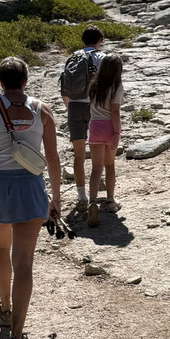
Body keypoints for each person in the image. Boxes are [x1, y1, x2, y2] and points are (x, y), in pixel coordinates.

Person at [0, 56, 61, 339]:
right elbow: (53, 157)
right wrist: (56, 197)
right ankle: (17, 336)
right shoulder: (42, 110)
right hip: (30, 188)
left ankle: (5, 309)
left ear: (0, 81)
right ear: (25, 80)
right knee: (24, 263)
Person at [61, 26, 104, 211]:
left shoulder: (72, 58)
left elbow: (64, 89)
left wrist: (69, 107)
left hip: (74, 107)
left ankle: (81, 197)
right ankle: (96, 191)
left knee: (78, 154)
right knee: (96, 153)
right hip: (95, 109)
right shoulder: (101, 58)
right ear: (100, 40)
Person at [85, 54, 124, 228]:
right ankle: (109, 200)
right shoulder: (116, 86)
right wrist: (116, 133)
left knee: (95, 168)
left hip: (94, 127)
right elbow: (115, 111)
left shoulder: (93, 85)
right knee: (110, 166)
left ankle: (92, 201)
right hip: (109, 127)